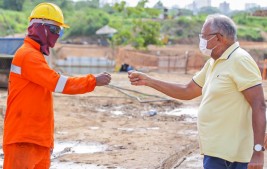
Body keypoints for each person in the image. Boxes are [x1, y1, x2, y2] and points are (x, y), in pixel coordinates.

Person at [128, 14, 266, 169]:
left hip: (233, 157)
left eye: (204, 36)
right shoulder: (213, 62)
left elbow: (258, 104)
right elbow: (187, 91)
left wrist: (258, 151)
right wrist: (149, 81)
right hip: (215, 151)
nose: (201, 41)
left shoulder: (240, 60)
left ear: (219, 38)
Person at [3, 2, 111, 169]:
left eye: (59, 31)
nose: (57, 35)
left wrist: (48, 141)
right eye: (54, 30)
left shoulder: (35, 56)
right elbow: (58, 83)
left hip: (37, 140)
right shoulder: (28, 55)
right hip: (23, 140)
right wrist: (93, 81)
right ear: (40, 28)